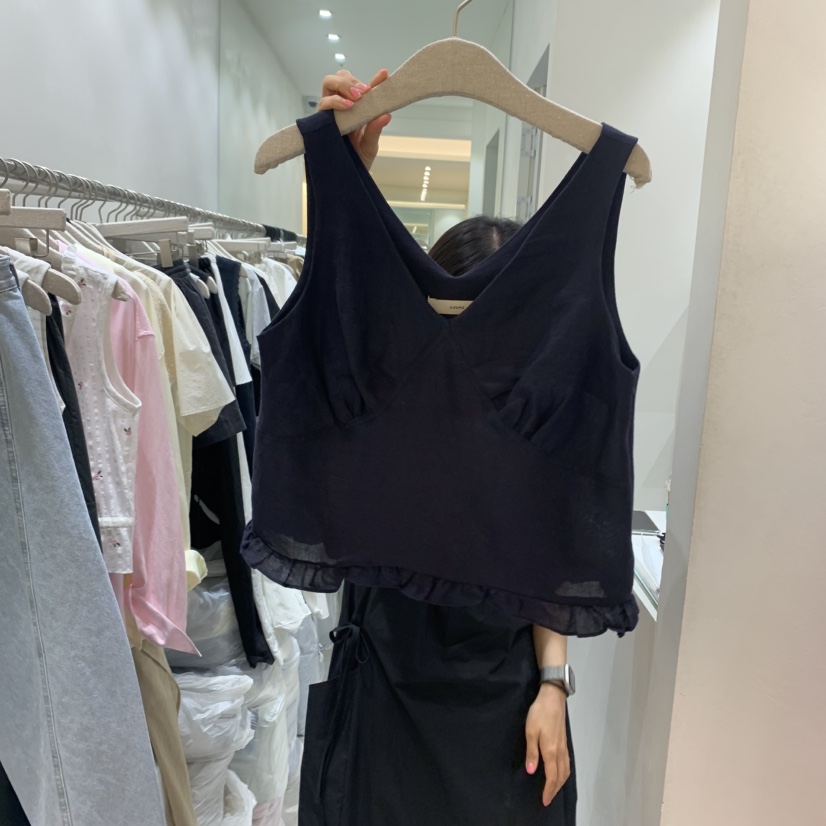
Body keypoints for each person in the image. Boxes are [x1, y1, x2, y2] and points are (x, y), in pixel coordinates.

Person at [296, 70, 576, 826]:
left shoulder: (536, 409)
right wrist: (345, 176)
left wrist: (554, 685)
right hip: (384, 693)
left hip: (509, 703)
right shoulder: (375, 399)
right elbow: (330, 320)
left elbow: (553, 558)